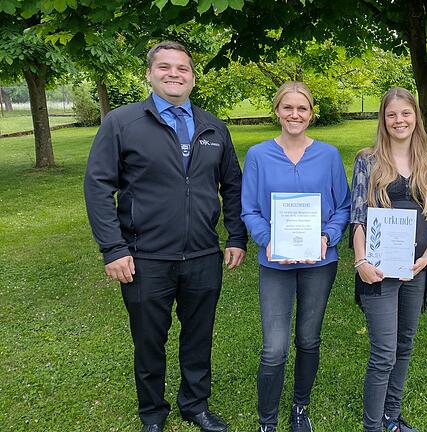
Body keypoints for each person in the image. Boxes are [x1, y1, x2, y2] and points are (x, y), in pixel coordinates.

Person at [84, 41, 247, 432]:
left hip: (204, 255)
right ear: (149, 74)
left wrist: (236, 237)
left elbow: (233, 186)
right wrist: (113, 248)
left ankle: (195, 404)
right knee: (149, 341)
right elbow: (98, 185)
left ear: (193, 76)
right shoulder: (122, 123)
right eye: (165, 67)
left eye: (183, 68)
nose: (175, 74)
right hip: (145, 258)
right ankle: (153, 414)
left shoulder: (213, 126)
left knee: (198, 337)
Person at [240, 81, 351, 432]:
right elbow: (250, 209)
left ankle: (300, 408)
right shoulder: (258, 155)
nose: (295, 114)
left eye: (302, 108)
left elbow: (344, 207)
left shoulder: (329, 155)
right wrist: (266, 240)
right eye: (288, 108)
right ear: (277, 111)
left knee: (308, 338)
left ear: (311, 114)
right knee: (274, 348)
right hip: (275, 262)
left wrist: (326, 237)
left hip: (320, 261)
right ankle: (267, 421)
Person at [350, 87, 427, 432]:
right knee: (384, 352)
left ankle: (392, 417)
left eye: (405, 113)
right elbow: (357, 216)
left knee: (404, 345)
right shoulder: (368, 160)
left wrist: (424, 258)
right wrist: (361, 262)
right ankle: (373, 425)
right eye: (392, 115)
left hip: (416, 270)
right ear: (383, 120)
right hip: (377, 270)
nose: (399, 120)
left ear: (415, 117)